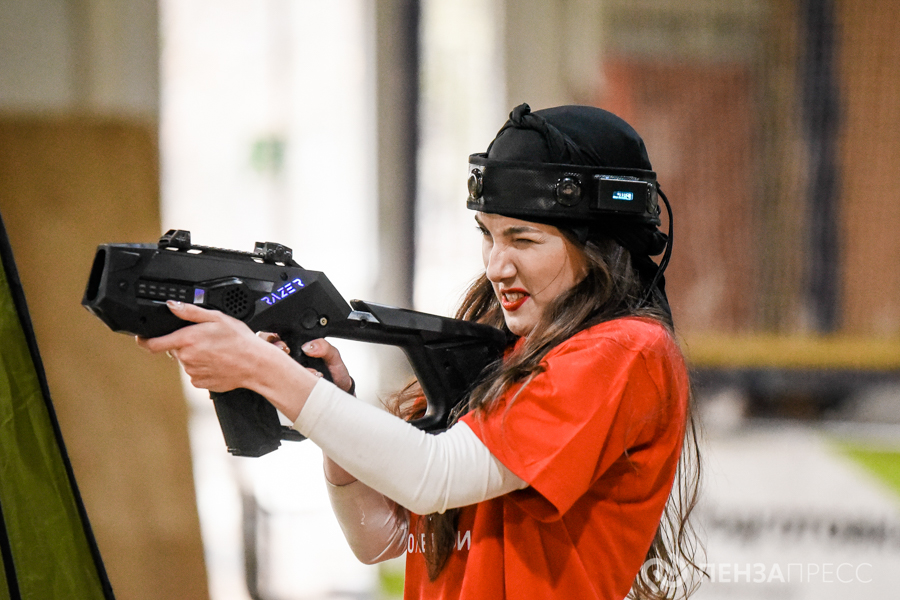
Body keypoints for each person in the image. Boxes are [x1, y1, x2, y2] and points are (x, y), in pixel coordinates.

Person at [138, 103, 702, 600]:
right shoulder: (516, 350)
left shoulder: (626, 351)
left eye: (524, 239)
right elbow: (379, 539)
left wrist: (263, 370)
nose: (496, 265)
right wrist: (332, 403)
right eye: (488, 234)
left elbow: (434, 475)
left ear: (602, 247)